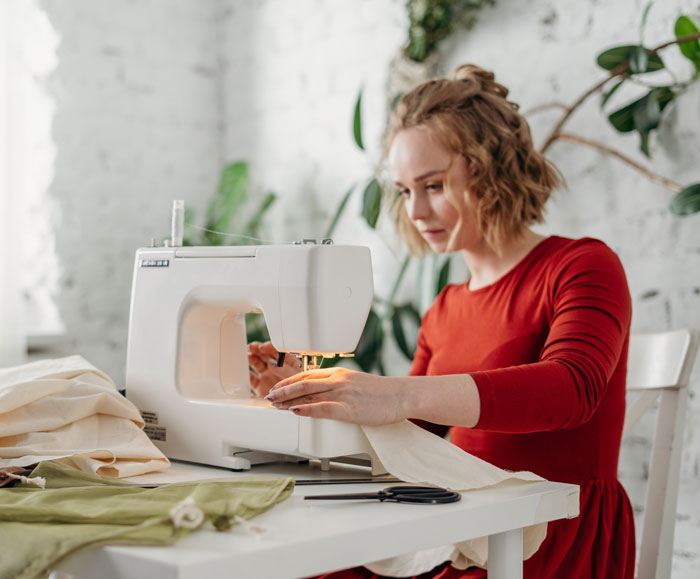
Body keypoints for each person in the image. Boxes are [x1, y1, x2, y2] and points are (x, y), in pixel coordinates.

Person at [247, 64, 635, 579]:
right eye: (406, 191)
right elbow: (411, 432)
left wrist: (398, 394)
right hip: (468, 517)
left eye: (433, 185)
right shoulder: (446, 306)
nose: (416, 211)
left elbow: (572, 388)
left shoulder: (581, 265)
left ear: (493, 171)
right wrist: (309, 396)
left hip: (549, 529)